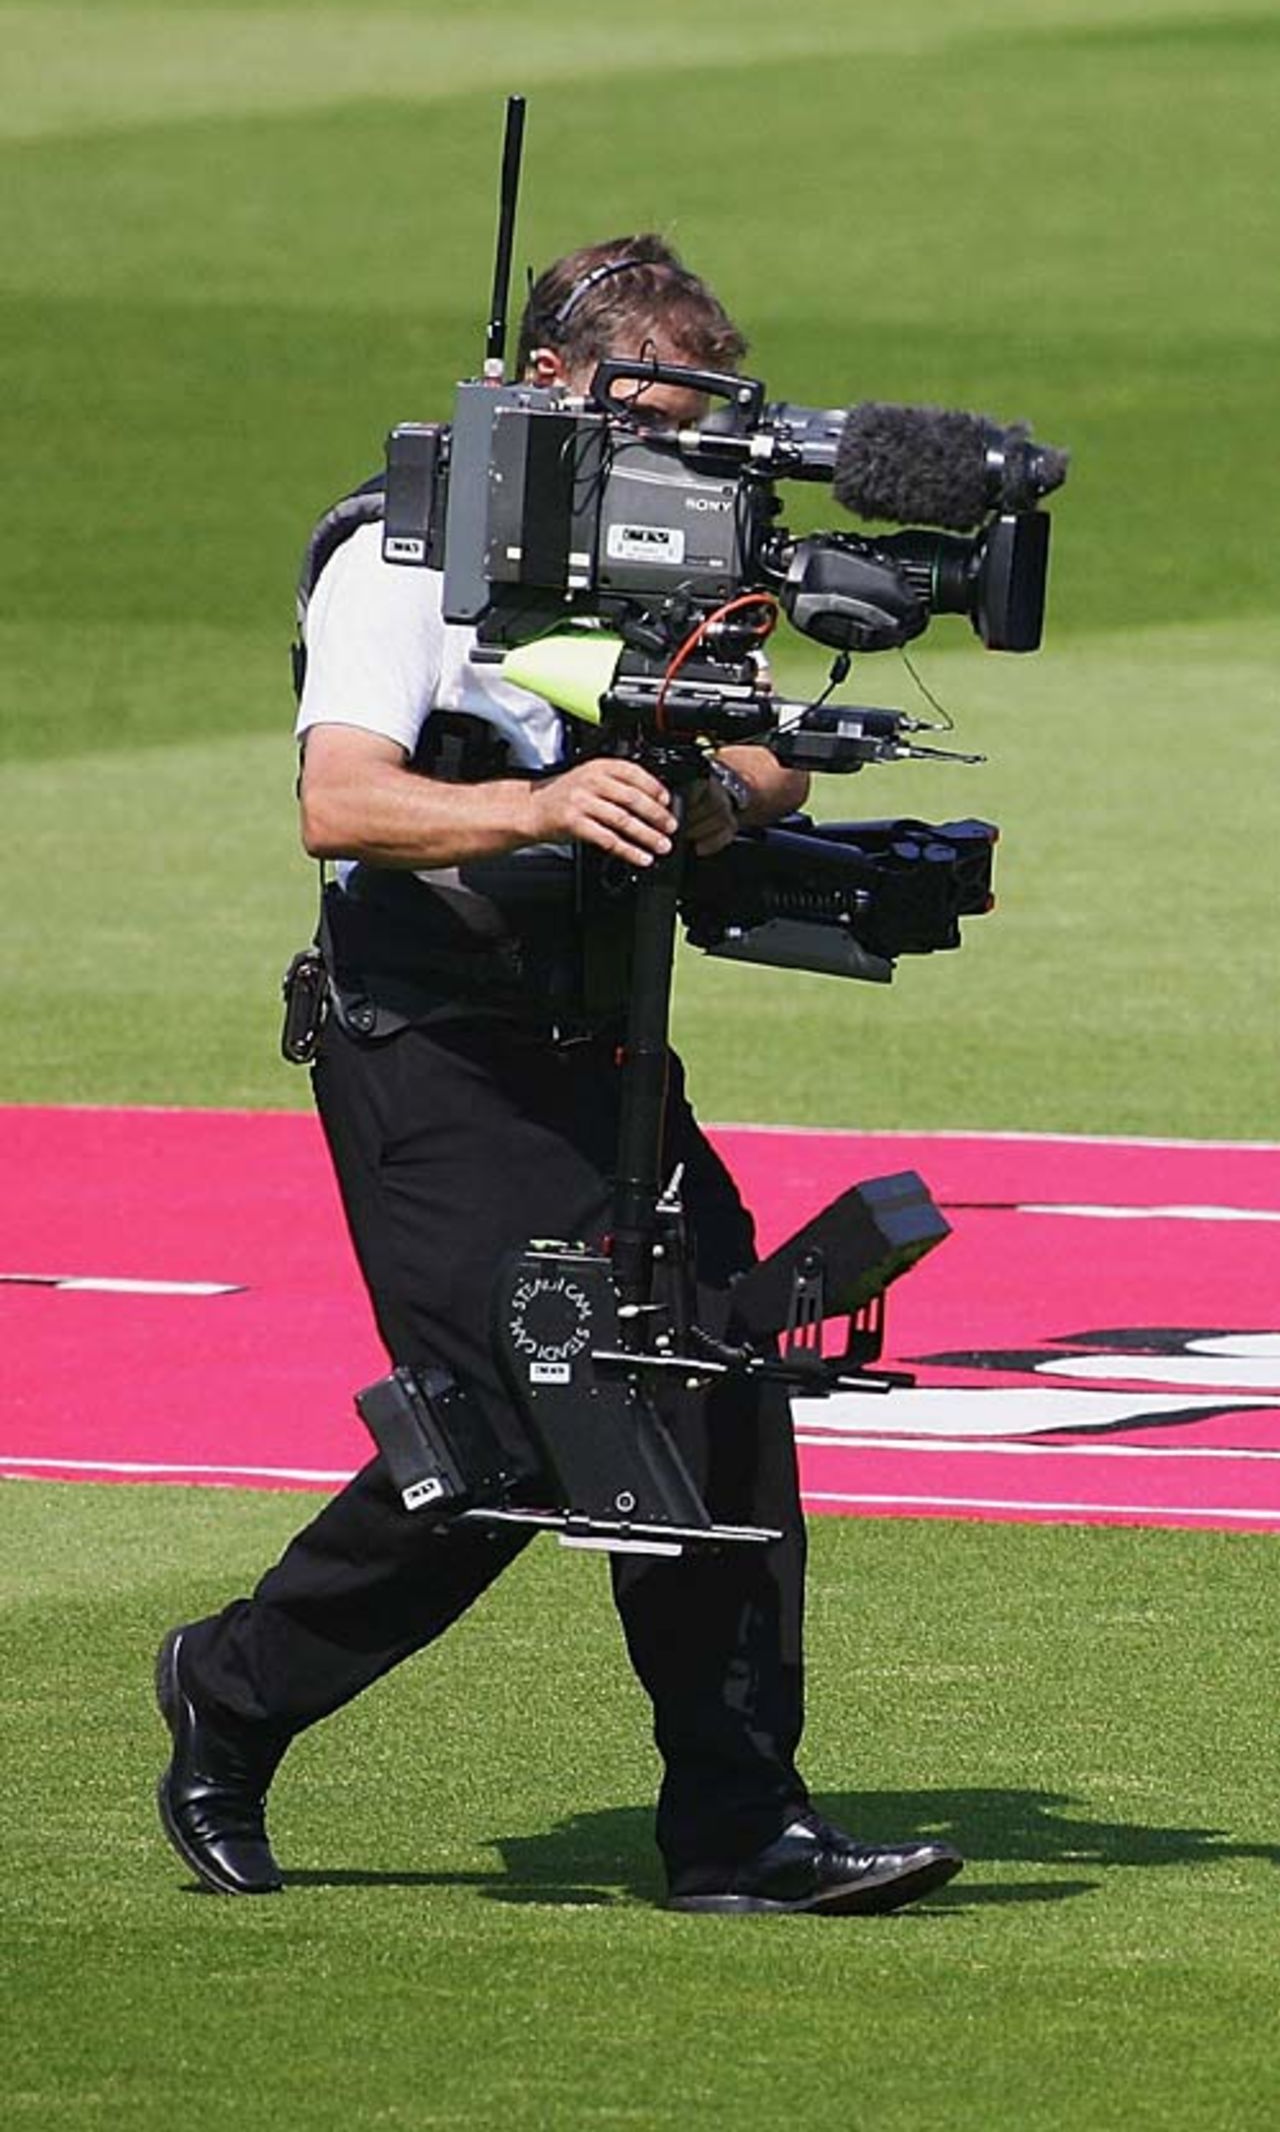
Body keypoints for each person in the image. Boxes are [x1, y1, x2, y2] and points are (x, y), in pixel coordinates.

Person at [155, 235, 963, 1918]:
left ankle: (738, 1829)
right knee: (515, 1435)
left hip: (607, 1053)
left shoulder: (671, 550)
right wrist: (536, 804)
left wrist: (729, 794)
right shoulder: (397, 556)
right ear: (546, 387)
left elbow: (760, 749)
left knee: (719, 1389)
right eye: (649, 419)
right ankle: (229, 1695)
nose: (676, 460)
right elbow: (344, 803)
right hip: (429, 1052)